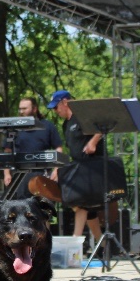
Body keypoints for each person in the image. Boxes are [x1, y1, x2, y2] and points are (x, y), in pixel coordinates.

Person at [49, 89, 103, 245]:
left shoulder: (82, 116)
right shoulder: (66, 124)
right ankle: (104, 245)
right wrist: (58, 168)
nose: (55, 111)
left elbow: (101, 127)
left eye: (56, 107)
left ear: (65, 102)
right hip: (79, 168)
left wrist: (93, 142)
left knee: (80, 204)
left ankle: (74, 244)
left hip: (93, 168)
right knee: (87, 209)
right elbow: (70, 150)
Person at [2, 96, 62, 198]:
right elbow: (7, 151)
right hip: (19, 175)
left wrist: (56, 170)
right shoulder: (13, 129)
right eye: (20, 109)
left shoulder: (48, 126)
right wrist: (6, 174)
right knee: (21, 205)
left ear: (34, 109)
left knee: (43, 205)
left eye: (24, 108)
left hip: (42, 174)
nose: (21, 111)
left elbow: (58, 148)